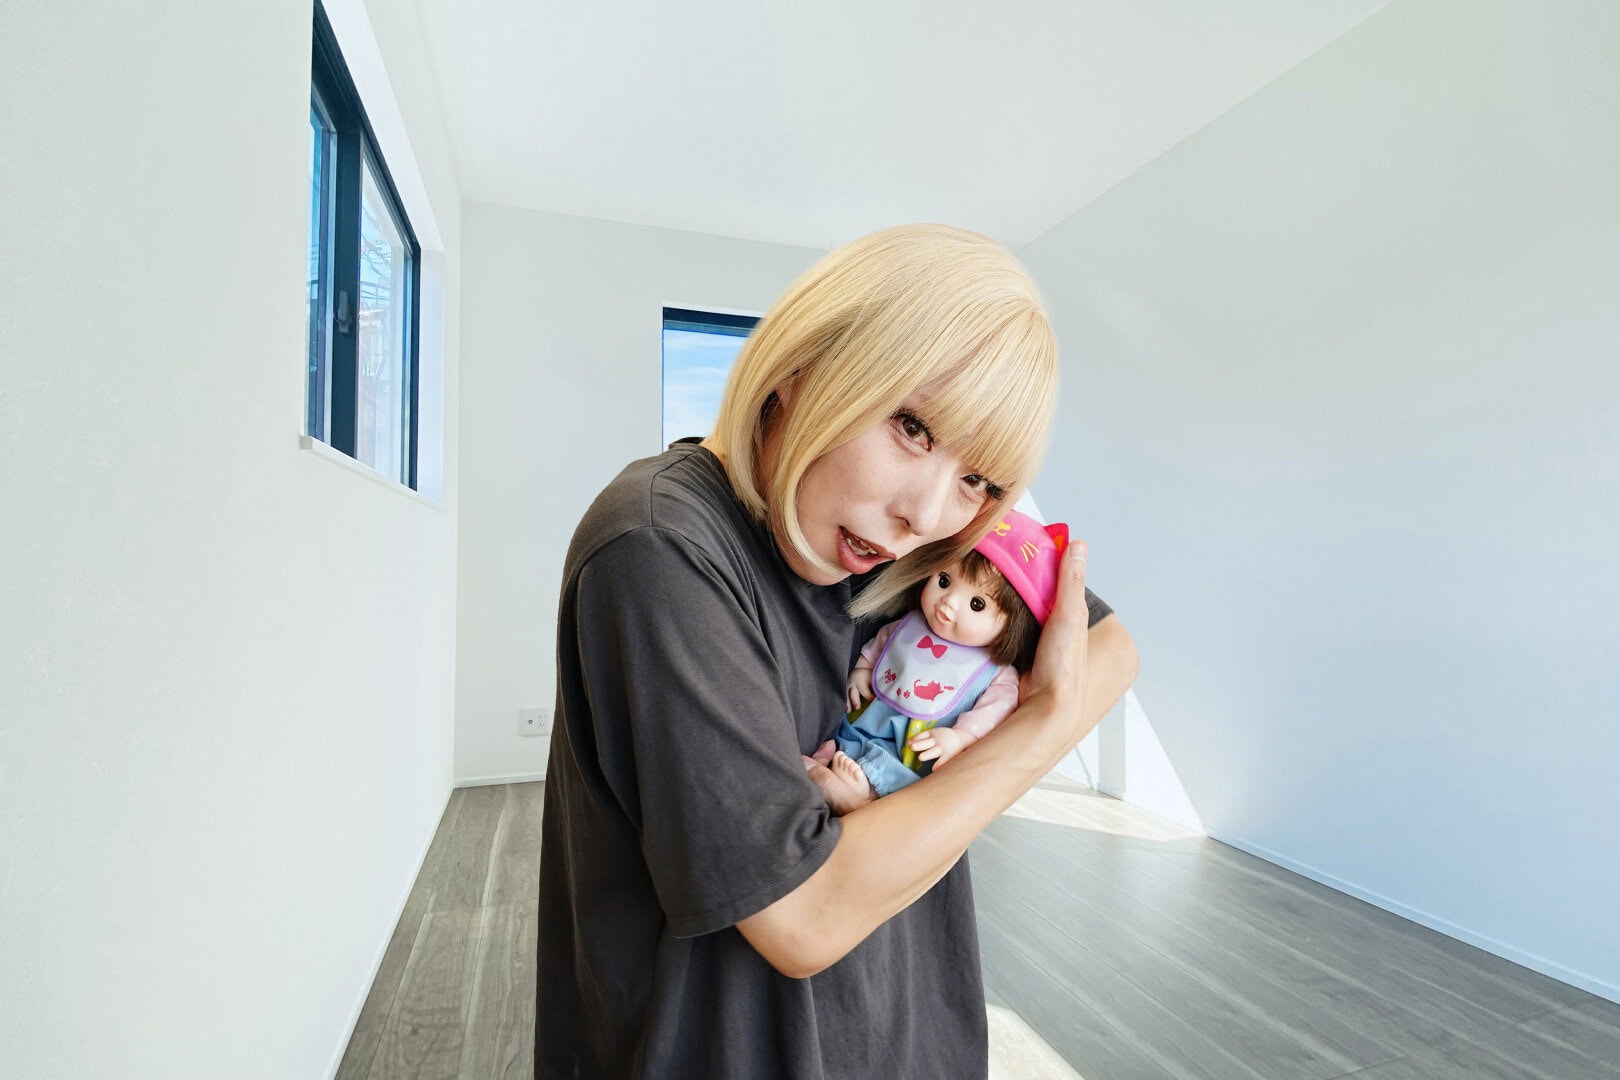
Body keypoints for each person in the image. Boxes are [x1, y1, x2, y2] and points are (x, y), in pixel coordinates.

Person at [535, 223, 1139, 1080]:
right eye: (913, 428)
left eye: (978, 480)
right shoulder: (659, 545)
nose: (927, 516)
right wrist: (1038, 726)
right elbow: (802, 917)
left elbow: (1109, 646)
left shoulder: (914, 550)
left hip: (916, 1035)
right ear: (803, 364)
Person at [814, 510, 1068, 811]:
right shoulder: (911, 624)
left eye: (977, 604)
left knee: (902, 772)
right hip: (871, 720)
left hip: (910, 752)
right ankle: (836, 756)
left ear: (1014, 625)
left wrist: (960, 737)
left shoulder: (995, 673)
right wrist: (862, 668)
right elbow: (884, 642)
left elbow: (994, 712)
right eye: (944, 580)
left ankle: (866, 795)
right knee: (846, 728)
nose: (948, 601)